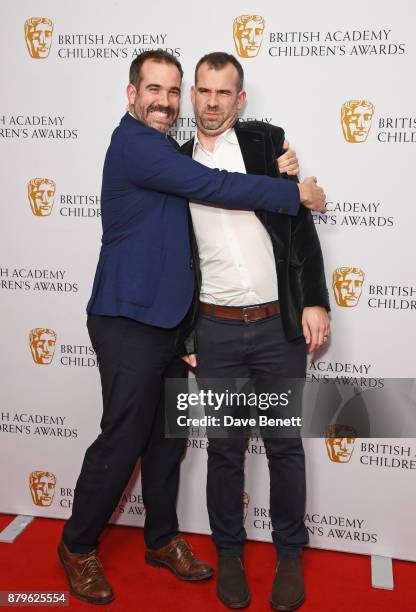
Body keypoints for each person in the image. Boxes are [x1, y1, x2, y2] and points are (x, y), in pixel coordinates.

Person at [57, 49, 326, 606]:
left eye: (173, 90)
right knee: (125, 437)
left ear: (236, 99)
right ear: (131, 94)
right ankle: (77, 544)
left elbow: (273, 241)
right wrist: (293, 192)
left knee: (168, 442)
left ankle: (160, 539)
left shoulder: (254, 143)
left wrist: (313, 295)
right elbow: (217, 188)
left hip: (179, 328)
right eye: (156, 89)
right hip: (129, 319)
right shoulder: (141, 149)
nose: (167, 100)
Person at [180, 52, 331, 610]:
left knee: (285, 448)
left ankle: (290, 555)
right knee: (224, 452)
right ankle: (230, 555)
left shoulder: (268, 145)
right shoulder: (173, 162)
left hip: (276, 328)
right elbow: (172, 259)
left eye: (224, 93)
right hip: (215, 331)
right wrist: (184, 337)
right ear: (192, 96)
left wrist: (315, 298)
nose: (213, 102)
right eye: (204, 91)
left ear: (240, 99)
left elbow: (299, 224)